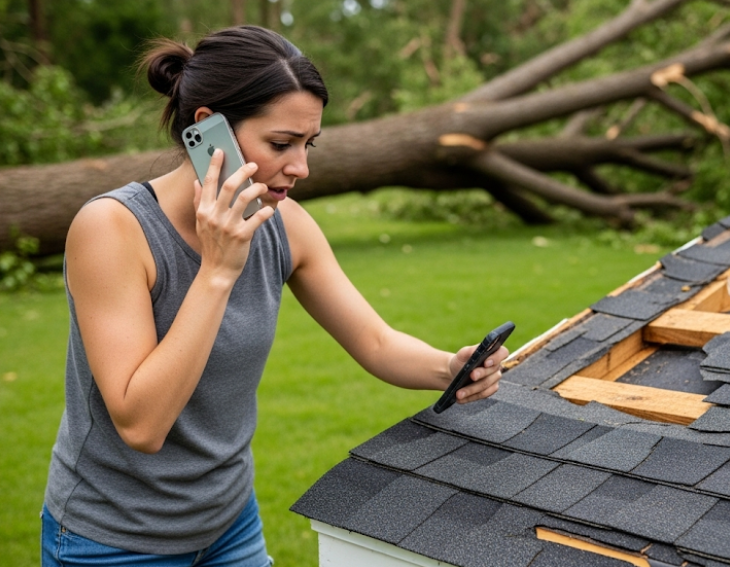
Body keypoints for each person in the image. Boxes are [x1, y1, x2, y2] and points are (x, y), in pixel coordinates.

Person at [41, 25, 506, 567]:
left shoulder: (285, 225)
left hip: (229, 524)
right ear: (208, 131)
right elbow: (141, 425)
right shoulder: (112, 229)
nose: (301, 167)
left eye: (308, 145)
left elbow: (376, 341)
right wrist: (217, 270)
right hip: (111, 540)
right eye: (281, 144)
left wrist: (449, 367)